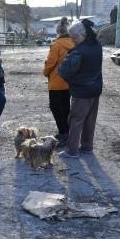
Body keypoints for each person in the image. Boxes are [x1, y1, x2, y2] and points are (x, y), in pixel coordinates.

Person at [57, 19, 103, 158]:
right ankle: (87, 146)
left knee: (76, 120)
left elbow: (63, 71)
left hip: (81, 92)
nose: (73, 40)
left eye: (75, 38)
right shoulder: (97, 45)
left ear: (83, 34)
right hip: (95, 89)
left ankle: (72, 151)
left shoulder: (78, 52)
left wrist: (71, 80)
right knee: (90, 119)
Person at [43, 17, 75, 147]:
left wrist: (45, 72)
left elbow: (51, 63)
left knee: (56, 107)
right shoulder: (73, 43)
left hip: (56, 81)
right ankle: (67, 131)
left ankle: (63, 133)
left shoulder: (56, 45)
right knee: (66, 107)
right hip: (69, 81)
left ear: (58, 31)